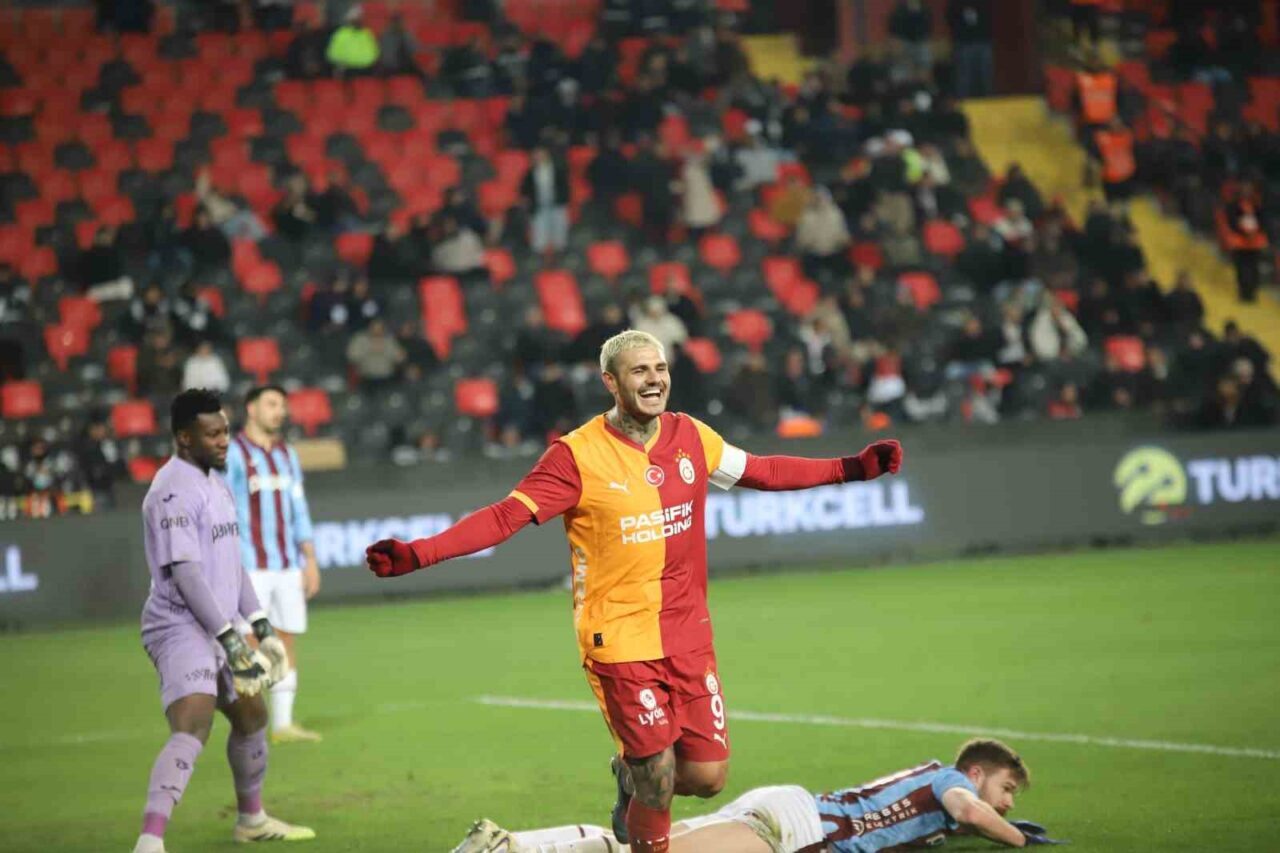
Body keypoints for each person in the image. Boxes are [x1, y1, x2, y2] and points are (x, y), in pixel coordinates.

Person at [365, 330, 905, 851]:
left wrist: (853, 468)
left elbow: (762, 470)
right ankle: (642, 789)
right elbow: (505, 517)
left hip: (687, 631)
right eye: (639, 370)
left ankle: (628, 774)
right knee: (659, 777)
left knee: (708, 777)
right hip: (618, 638)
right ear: (611, 381)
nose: (654, 379)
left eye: (660, 368)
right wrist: (419, 553)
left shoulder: (691, 436)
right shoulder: (575, 456)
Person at [132, 389, 314, 853]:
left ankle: (252, 820)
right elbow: (187, 575)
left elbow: (232, 564)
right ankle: (150, 841)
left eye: (225, 431)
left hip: (222, 625)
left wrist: (262, 625)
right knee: (193, 722)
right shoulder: (171, 490)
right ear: (183, 437)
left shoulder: (216, 482)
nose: (222, 441)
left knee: (252, 716)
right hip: (180, 625)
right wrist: (231, 639)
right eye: (211, 434)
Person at [453, 738, 1063, 852]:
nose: (1008, 802)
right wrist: (1016, 838)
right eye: (1007, 789)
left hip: (790, 814)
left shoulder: (929, 796)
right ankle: (507, 850)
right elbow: (968, 808)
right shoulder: (951, 782)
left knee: (655, 845)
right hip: (797, 828)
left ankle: (510, 845)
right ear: (977, 771)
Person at [224, 386, 322, 745]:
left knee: (285, 638)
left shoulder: (286, 454)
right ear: (251, 409)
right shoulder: (233, 453)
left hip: (287, 564)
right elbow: (219, 506)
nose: (279, 411)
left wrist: (310, 560)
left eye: (282, 405)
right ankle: (251, 725)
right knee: (250, 642)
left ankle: (283, 725)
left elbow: (299, 509)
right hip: (249, 565)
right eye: (271, 404)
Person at [522, 146, 571, 262]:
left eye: (540, 155)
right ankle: (539, 258)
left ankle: (559, 255)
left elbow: (565, 188)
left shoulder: (558, 171)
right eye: (536, 156)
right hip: (539, 207)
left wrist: (561, 200)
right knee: (539, 234)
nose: (538, 158)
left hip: (557, 206)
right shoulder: (530, 174)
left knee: (559, 232)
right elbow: (525, 190)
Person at [326, 5, 380, 77]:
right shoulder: (341, 34)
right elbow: (332, 54)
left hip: (366, 70)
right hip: (347, 70)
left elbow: (374, 53)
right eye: (355, 19)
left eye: (359, 18)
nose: (358, 21)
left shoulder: (367, 33)